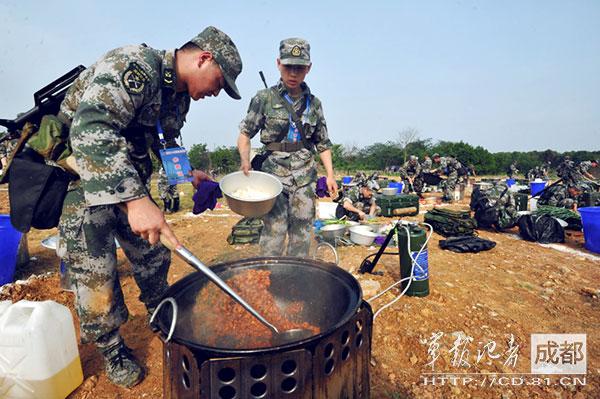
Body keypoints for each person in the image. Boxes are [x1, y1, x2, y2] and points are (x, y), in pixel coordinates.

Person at [56, 26, 242, 388]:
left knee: (154, 254)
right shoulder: (134, 65)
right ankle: (111, 349)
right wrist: (137, 201)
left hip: (129, 180)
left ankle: (162, 313)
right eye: (219, 82)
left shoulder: (179, 95)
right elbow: (90, 128)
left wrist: (190, 174)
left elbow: (164, 140)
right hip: (83, 180)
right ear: (203, 58)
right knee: (96, 273)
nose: (215, 93)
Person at [237, 38, 337, 257]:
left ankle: (296, 277)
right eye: (288, 66)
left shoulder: (315, 103)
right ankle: (269, 277)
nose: (293, 73)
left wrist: (330, 174)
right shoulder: (263, 98)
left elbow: (323, 142)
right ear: (278, 64)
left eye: (299, 68)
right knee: (275, 230)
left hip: (304, 177)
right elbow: (245, 134)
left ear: (308, 68)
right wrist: (245, 160)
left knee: (302, 232)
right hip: (273, 177)